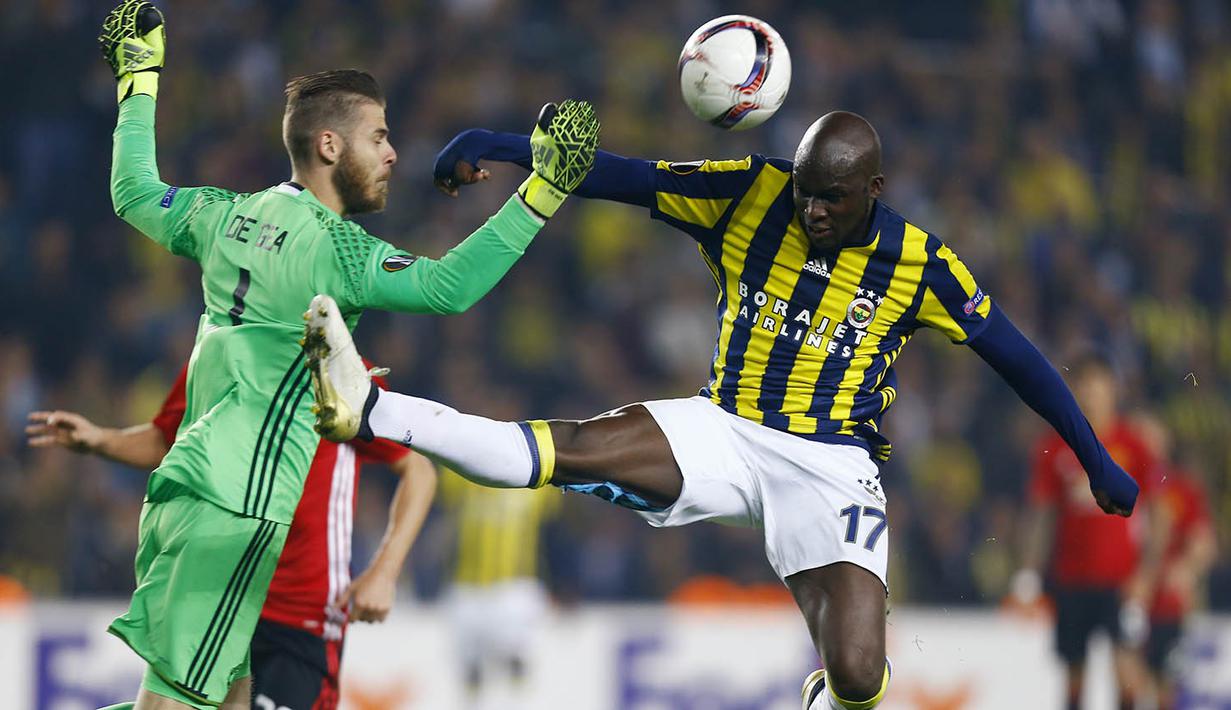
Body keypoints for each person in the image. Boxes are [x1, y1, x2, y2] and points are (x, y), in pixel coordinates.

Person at [304, 110, 1141, 710]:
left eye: (832, 199)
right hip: (724, 430)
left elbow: (1021, 361)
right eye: (807, 192)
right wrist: (498, 144)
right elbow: (624, 176)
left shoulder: (922, 263)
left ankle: (830, 688)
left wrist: (1093, 457)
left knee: (855, 677)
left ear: (874, 190)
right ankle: (371, 406)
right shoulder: (752, 194)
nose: (811, 210)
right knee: (569, 449)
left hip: (831, 467)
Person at [95, 2, 599, 707]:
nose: (393, 153)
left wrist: (140, 79)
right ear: (330, 146)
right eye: (379, 137)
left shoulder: (219, 213)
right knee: (173, 703)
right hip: (240, 503)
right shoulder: (338, 249)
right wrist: (541, 193)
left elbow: (134, 191)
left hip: (199, 490)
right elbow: (448, 288)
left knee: (231, 697)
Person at [26, 362, 435, 710]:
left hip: (300, 616)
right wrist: (100, 439)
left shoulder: (336, 366)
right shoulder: (218, 354)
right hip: (219, 598)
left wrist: (384, 570)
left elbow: (417, 468)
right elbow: (169, 439)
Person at [1011, 355, 1161, 709]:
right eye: (1083, 385)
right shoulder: (1057, 446)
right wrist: (1029, 570)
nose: (1090, 393)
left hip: (1120, 581)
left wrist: (1146, 574)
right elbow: (1043, 514)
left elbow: (1158, 515)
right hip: (1072, 579)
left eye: (1097, 384)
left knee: (1126, 672)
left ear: (1113, 390)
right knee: (1074, 674)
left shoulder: (1134, 443)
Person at [438, 470, 559, 710]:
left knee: (519, 673)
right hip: (467, 588)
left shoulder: (536, 471)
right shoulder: (462, 469)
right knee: (471, 679)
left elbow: (556, 528)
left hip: (516, 588)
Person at [1133, 415, 1217, 709]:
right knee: (1130, 680)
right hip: (1130, 599)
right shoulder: (1120, 483)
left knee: (1166, 683)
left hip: (1167, 604)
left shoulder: (1182, 489)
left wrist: (1187, 570)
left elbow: (1204, 542)